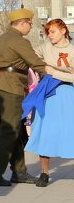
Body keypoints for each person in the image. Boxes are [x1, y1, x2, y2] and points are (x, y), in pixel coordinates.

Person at [0, 8, 47, 186]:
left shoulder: (4, 38)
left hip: (0, 85)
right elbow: (34, 62)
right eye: (30, 23)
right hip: (11, 86)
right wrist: (54, 74)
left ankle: (19, 171)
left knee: (17, 128)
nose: (30, 27)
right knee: (10, 130)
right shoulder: (19, 40)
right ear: (22, 23)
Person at [24, 18, 74, 188]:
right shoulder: (45, 47)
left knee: (70, 129)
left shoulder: (72, 50)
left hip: (68, 93)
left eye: (52, 31)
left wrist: (54, 72)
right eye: (48, 32)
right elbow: (29, 57)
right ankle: (44, 173)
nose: (49, 35)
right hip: (48, 94)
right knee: (45, 130)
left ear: (63, 30)